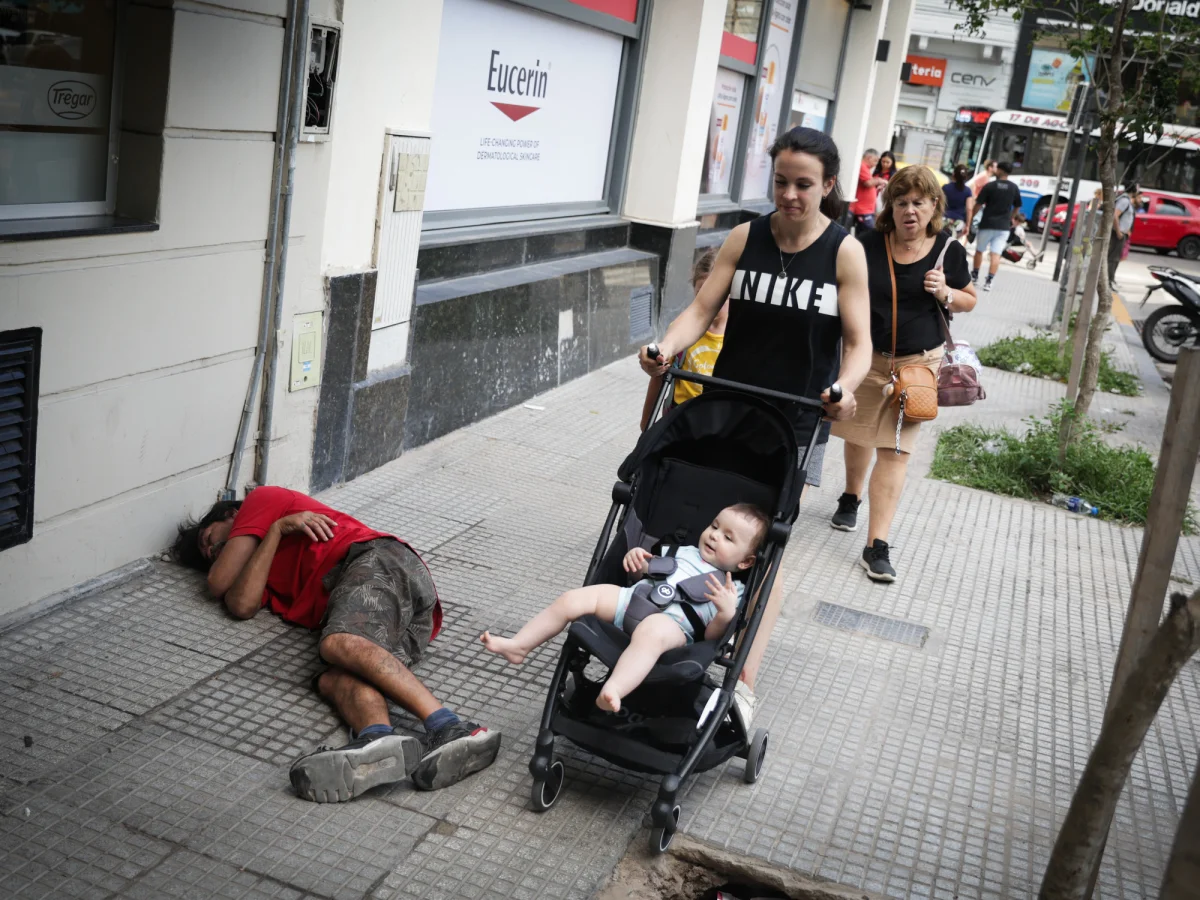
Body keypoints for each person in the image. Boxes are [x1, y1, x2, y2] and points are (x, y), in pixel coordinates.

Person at [637, 125, 872, 721]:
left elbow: (859, 342)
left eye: (804, 184)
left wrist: (844, 390)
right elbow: (700, 308)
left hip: (792, 423)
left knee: (767, 551)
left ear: (829, 185)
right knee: (701, 520)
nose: (790, 195)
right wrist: (663, 350)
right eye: (781, 182)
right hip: (729, 409)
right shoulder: (747, 236)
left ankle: (742, 682)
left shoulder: (843, 250)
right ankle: (670, 623)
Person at [174, 487, 502, 802]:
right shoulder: (263, 565)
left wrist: (268, 527)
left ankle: (454, 728)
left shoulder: (263, 499)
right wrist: (275, 532)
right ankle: (376, 738)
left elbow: (218, 583)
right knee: (335, 678)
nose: (216, 554)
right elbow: (241, 605)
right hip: (390, 614)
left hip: (376, 561)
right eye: (209, 558)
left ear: (232, 514)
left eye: (211, 541)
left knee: (338, 643)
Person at [830, 165, 978, 583]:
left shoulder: (949, 250)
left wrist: (946, 292)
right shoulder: (868, 243)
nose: (909, 210)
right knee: (859, 435)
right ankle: (850, 495)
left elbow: (969, 299)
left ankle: (876, 545)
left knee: (895, 451)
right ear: (889, 207)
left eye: (919, 202)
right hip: (867, 358)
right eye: (901, 202)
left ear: (934, 206)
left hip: (918, 367)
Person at [481, 504, 769, 713]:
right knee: (573, 599)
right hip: (632, 600)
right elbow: (647, 573)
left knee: (650, 633)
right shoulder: (681, 551)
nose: (715, 535)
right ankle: (519, 645)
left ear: (746, 562)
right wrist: (638, 561)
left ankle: (615, 689)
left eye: (728, 538)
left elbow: (711, 636)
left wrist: (725, 613)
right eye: (715, 526)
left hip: (673, 628)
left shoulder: (733, 590)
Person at [639, 249, 725, 431]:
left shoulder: (738, 336)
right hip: (679, 420)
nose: (712, 299)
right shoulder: (681, 333)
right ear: (694, 289)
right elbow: (659, 377)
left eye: (720, 292)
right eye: (703, 291)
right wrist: (646, 427)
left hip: (717, 425)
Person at [971, 160, 1023, 292]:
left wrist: (970, 217)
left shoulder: (990, 186)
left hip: (987, 223)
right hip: (1003, 227)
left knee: (979, 250)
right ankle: (989, 281)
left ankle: (975, 275)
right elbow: (1018, 205)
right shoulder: (1013, 188)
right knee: (996, 254)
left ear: (999, 170)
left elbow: (978, 204)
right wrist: (1011, 217)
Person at [1109, 183, 1141, 285]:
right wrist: (1118, 231)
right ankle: (1108, 281)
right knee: (1112, 258)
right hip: (1117, 234)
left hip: (1122, 233)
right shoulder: (1124, 201)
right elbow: (1115, 215)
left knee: (1115, 258)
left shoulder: (1127, 201)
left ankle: (1110, 279)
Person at [852, 148, 888, 235]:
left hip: (867, 210)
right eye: (875, 161)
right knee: (871, 234)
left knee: (865, 235)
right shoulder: (862, 166)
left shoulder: (865, 168)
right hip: (863, 210)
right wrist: (880, 180)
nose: (876, 164)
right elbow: (868, 183)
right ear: (869, 157)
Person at [965, 158, 997, 240]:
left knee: (972, 224)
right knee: (972, 223)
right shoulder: (984, 176)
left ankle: (964, 244)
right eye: (995, 167)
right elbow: (972, 184)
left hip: (978, 202)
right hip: (975, 202)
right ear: (990, 168)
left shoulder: (986, 176)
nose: (996, 169)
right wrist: (974, 197)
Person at [942, 164, 973, 242]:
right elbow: (969, 209)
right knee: (952, 243)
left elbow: (940, 204)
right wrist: (968, 226)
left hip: (944, 219)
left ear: (953, 174)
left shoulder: (945, 188)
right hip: (959, 223)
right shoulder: (967, 191)